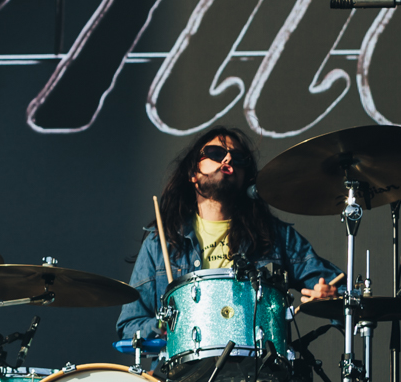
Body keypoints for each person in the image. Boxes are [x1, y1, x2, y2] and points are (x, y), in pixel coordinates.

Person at [115, 126, 340, 344]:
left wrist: (331, 298)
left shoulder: (274, 235)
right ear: (193, 173)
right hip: (181, 378)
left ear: (245, 178)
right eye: (216, 153)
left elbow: (342, 292)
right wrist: (165, 325)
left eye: (239, 158)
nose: (228, 160)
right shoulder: (162, 241)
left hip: (257, 374)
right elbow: (129, 326)